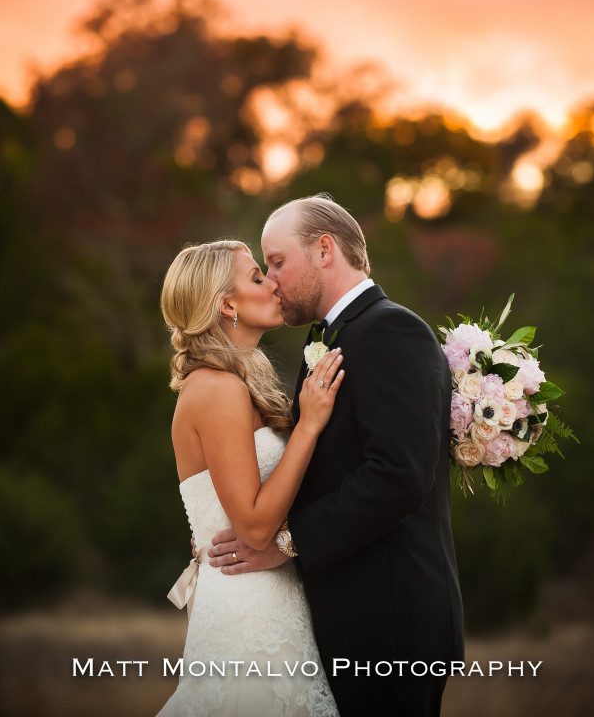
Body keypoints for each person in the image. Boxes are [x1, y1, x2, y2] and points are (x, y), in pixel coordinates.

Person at [206, 195, 464, 717]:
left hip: (390, 626)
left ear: (325, 250)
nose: (271, 279)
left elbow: (399, 475)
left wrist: (288, 542)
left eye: (277, 262)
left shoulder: (393, 331)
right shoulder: (333, 338)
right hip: (351, 619)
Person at [157, 239, 343, 717]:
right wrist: (308, 425)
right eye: (258, 277)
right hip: (249, 606)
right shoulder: (216, 390)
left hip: (268, 594)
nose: (274, 284)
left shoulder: (235, 382)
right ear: (226, 303)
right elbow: (256, 527)